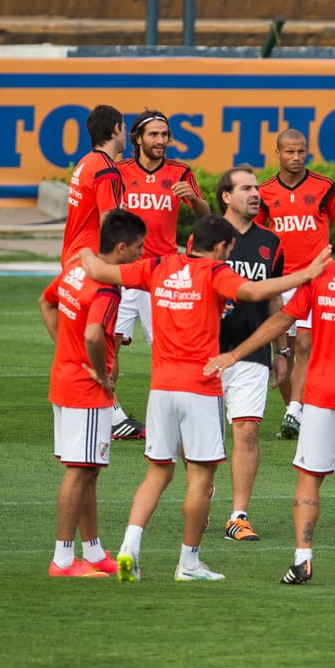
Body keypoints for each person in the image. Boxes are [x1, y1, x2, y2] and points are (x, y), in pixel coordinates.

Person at [79, 215, 331, 582]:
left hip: (161, 389)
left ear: (191, 238)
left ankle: (128, 548)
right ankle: (189, 563)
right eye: (228, 250)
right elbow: (258, 293)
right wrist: (307, 274)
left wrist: (80, 248)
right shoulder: (214, 274)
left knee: (156, 473)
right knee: (200, 479)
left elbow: (99, 270)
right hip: (200, 386)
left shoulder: (156, 266)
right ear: (220, 248)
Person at [206, 207, 335, 585]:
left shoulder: (321, 277)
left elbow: (282, 320)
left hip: (319, 395)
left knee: (309, 479)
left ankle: (302, 559)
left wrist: (235, 353)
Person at [39, 209, 146, 577]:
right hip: (86, 390)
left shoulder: (74, 269)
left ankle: (94, 551)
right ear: (120, 248)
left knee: (87, 470)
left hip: (64, 380)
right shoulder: (106, 289)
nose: (140, 255)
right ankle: (63, 560)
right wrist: (102, 376)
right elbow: (93, 335)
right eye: (137, 248)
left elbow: (46, 301)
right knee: (78, 471)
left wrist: (63, 352)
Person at [113, 109, 212, 440]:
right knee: (108, 340)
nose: (160, 140)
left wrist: (195, 200)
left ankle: (168, 415)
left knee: (167, 348)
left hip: (163, 273)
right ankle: (110, 412)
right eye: (153, 135)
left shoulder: (181, 171)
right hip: (126, 270)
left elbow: (206, 215)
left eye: (164, 135)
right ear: (137, 139)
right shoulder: (120, 171)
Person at [210, 166, 287, 542]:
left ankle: (238, 515)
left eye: (257, 188)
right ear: (226, 196)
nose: (255, 194)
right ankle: (201, 495)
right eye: (246, 188)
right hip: (207, 351)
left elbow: (275, 297)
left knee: (248, 430)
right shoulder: (208, 235)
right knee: (204, 439)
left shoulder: (270, 242)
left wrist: (282, 350)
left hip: (251, 354)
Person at [259, 128, 335, 440]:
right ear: (278, 153)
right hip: (280, 281)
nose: (296, 157)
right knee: (284, 350)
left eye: (301, 151)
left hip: (314, 278)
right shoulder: (265, 191)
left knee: (306, 346)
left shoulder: (325, 187)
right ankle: (294, 414)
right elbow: (257, 236)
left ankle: (295, 410)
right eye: (290, 152)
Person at [61, 104, 125, 267]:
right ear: (116, 129)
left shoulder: (85, 162)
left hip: (73, 254)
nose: (126, 135)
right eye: (124, 128)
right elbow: (109, 224)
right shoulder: (107, 170)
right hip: (91, 259)